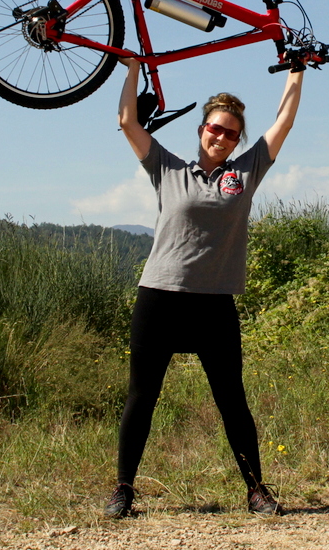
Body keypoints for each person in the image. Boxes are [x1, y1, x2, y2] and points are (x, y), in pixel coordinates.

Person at [103, 55, 303, 519]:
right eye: (215, 128)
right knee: (141, 397)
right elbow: (127, 121)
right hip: (159, 297)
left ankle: (256, 491)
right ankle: (123, 489)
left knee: (232, 400)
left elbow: (284, 122)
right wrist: (132, 68)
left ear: (238, 141)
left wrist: (296, 69)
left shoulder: (246, 173)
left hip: (214, 304)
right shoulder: (168, 169)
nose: (221, 137)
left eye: (231, 133)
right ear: (201, 130)